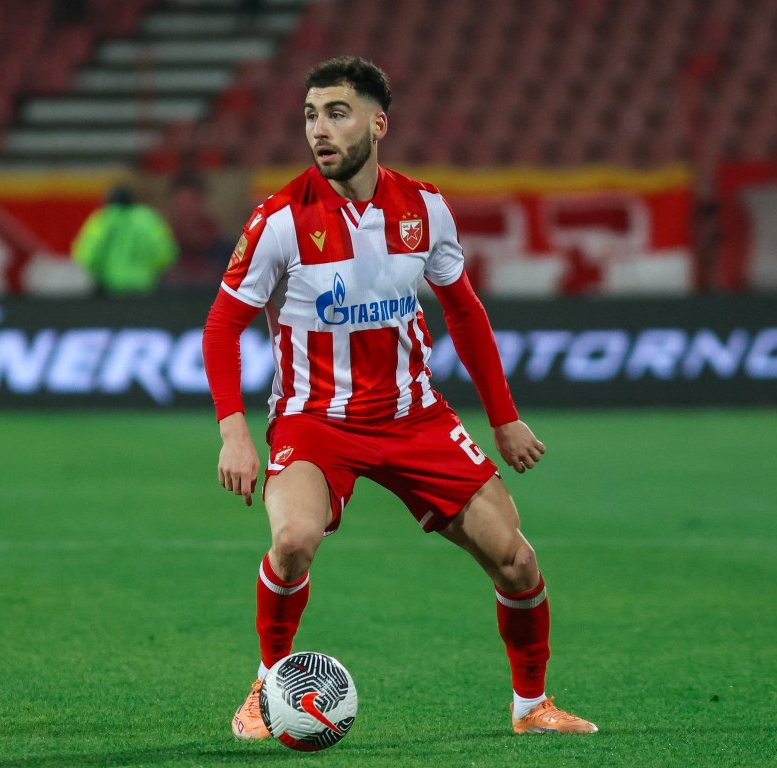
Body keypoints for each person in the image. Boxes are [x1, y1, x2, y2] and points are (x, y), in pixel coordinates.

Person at [201, 56, 598, 738]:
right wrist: (233, 431)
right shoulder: (280, 220)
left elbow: (464, 312)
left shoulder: (424, 209)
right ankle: (267, 687)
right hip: (315, 420)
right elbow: (221, 326)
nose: (319, 130)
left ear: (378, 124)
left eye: (337, 113)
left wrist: (504, 419)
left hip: (415, 417)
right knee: (292, 540)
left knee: (517, 561)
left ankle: (532, 708)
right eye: (310, 115)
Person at [71, 186, 178, 295]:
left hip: (110, 289)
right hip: (145, 288)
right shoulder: (148, 219)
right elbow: (166, 254)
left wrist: (101, 272)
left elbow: (87, 255)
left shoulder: (103, 220)